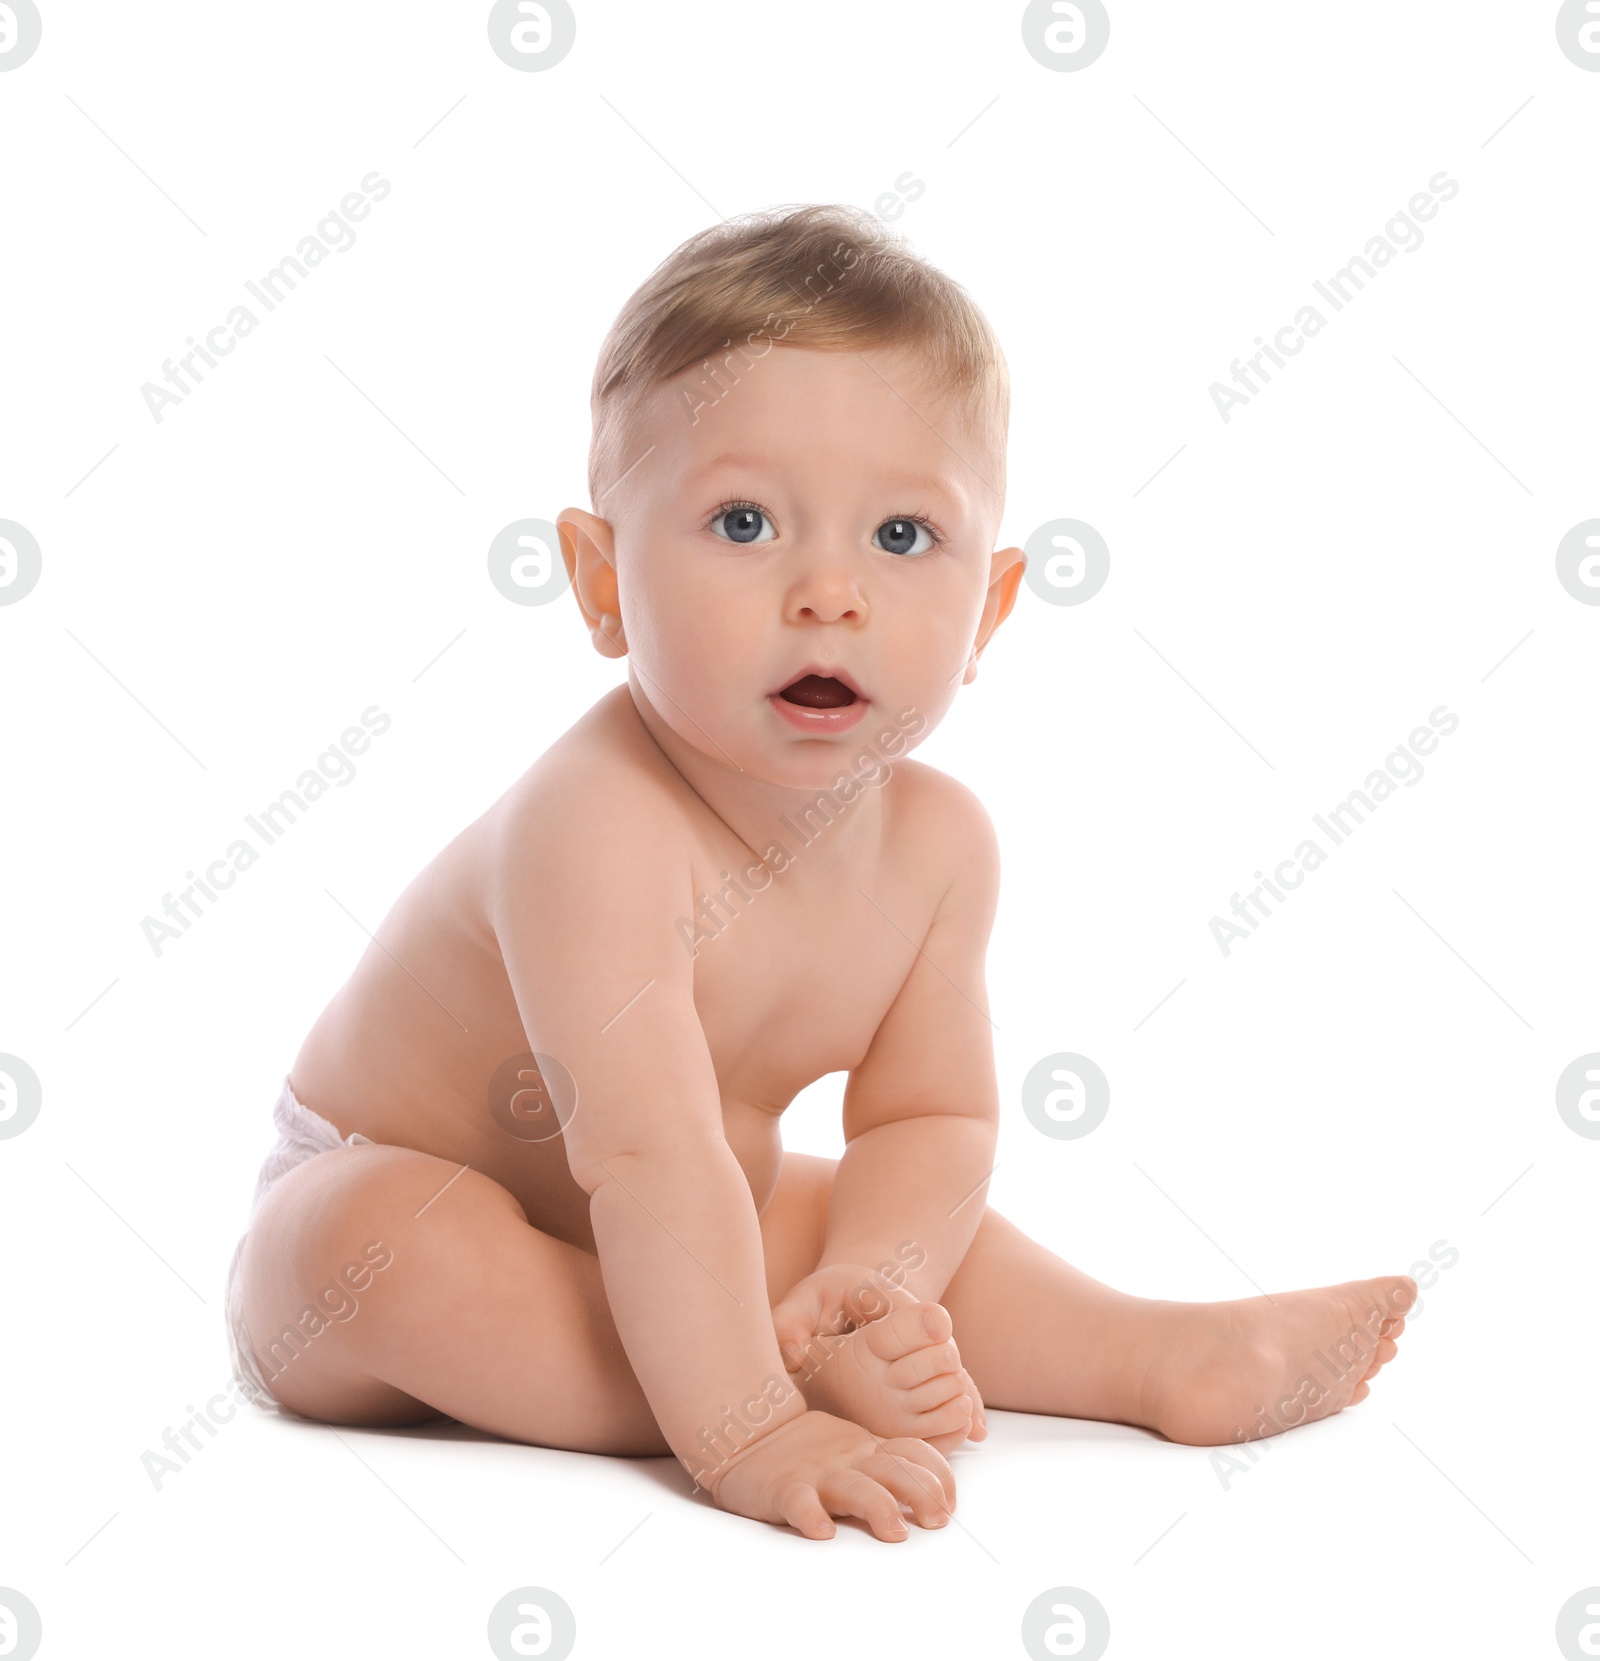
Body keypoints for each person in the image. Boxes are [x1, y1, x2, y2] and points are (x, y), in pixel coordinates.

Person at [227, 203, 1416, 1543]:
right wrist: (751, 1427)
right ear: (603, 581)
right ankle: (724, 1391)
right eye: (743, 521)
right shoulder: (594, 826)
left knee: (820, 1213)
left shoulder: (941, 847)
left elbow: (930, 1126)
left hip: (666, 1220)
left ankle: (1152, 1352)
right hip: (365, 1215)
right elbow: (646, 1150)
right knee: (394, 1238)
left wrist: (873, 1281)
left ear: (993, 609)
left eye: (904, 538)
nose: (829, 592)